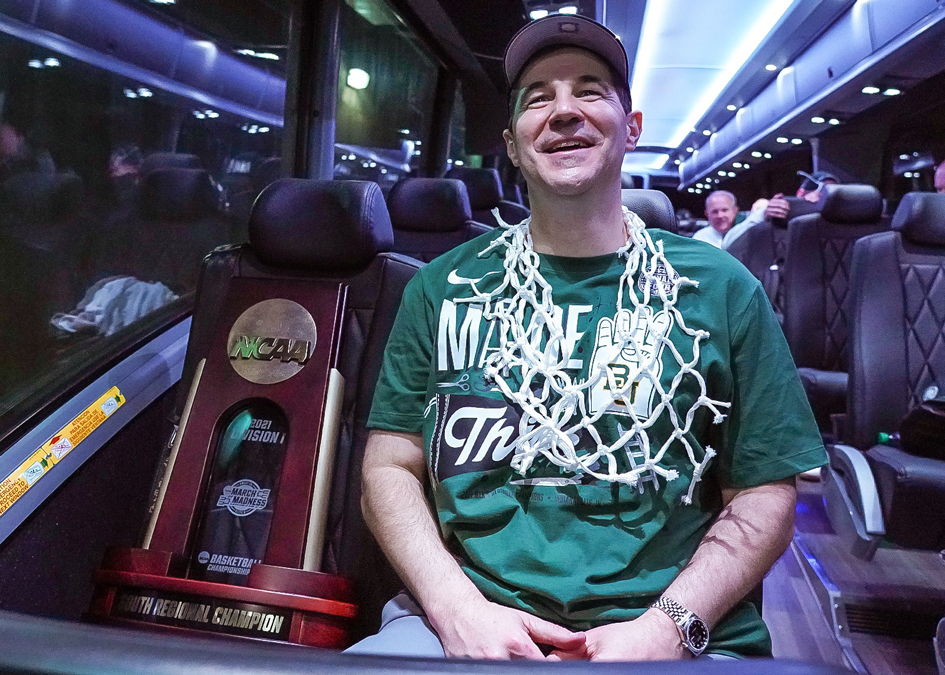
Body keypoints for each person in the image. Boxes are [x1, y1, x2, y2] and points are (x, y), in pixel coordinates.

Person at [352, 14, 826, 662]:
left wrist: (664, 629)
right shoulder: (442, 289)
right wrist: (458, 609)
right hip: (463, 622)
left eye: (590, 90)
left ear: (631, 129)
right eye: (538, 97)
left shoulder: (720, 289)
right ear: (513, 144)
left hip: (673, 633)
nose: (564, 111)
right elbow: (390, 466)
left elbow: (767, 492)